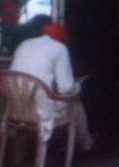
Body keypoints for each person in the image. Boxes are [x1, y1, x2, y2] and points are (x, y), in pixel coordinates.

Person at [10, 23, 94, 152]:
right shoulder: (59, 48)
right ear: (62, 39)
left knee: (46, 97)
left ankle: (18, 154)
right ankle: (87, 146)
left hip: (17, 108)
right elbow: (66, 88)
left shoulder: (24, 44)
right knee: (76, 105)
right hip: (40, 111)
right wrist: (78, 85)